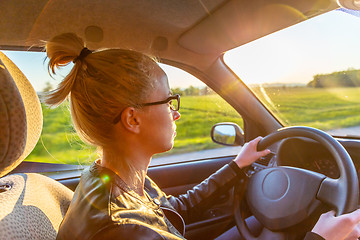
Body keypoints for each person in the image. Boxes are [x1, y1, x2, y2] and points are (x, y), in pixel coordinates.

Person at [45, 33, 360, 240]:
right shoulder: (125, 229)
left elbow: (173, 209)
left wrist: (237, 166)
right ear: (133, 119)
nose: (176, 113)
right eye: (169, 102)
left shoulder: (109, 178)